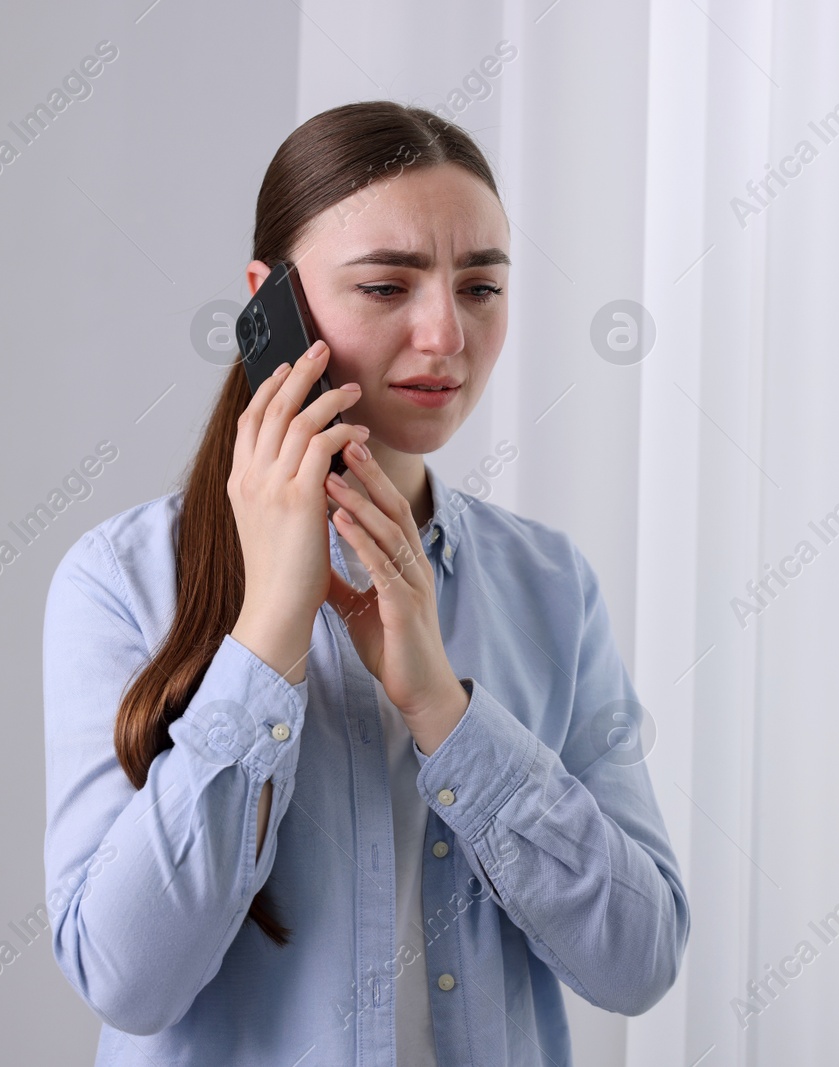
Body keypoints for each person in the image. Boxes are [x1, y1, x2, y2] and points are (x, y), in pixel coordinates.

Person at [42, 100, 688, 1067]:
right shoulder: (121, 581)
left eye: (481, 287)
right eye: (387, 286)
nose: (445, 336)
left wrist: (443, 705)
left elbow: (638, 963)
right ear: (271, 306)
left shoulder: (551, 584)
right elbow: (126, 979)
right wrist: (266, 635)